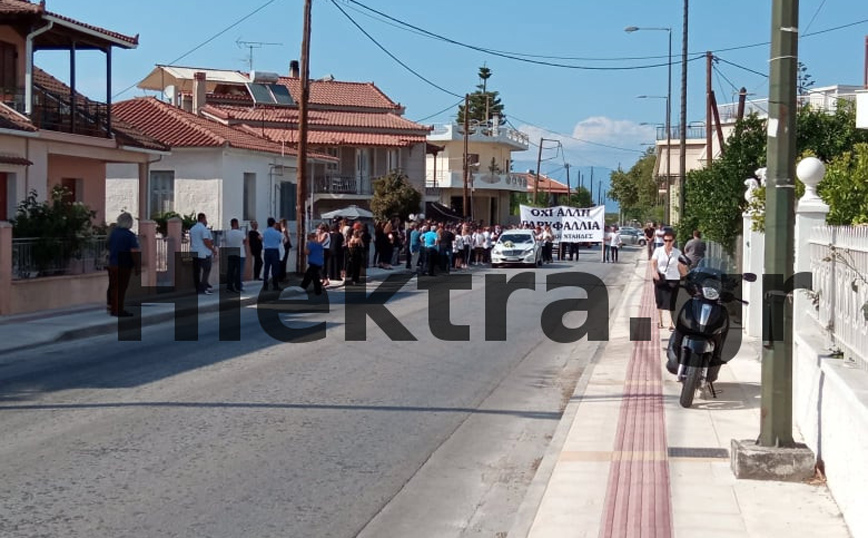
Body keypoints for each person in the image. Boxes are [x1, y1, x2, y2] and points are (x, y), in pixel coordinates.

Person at [650, 229, 688, 330]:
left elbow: (681, 266)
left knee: (672, 301)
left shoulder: (677, 252)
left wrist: (685, 272)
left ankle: (671, 323)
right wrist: (654, 271)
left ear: (673, 241)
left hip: (673, 279)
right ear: (663, 241)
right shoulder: (658, 250)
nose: (668, 243)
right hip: (661, 278)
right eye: (666, 240)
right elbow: (653, 261)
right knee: (660, 300)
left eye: (670, 240)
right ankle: (660, 321)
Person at [107, 212, 139, 317]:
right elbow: (134, 251)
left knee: (113, 286)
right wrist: (137, 265)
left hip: (113, 263)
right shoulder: (130, 235)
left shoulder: (113, 233)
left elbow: (108, 246)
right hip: (124, 265)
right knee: (121, 288)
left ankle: (112, 307)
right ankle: (118, 310)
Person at [190, 213, 216, 294]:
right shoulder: (204, 229)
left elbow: (191, 241)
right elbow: (206, 241)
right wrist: (212, 249)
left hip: (194, 251)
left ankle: (197, 288)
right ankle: (204, 287)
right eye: (205, 219)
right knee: (206, 269)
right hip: (203, 253)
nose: (206, 221)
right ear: (203, 219)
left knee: (196, 271)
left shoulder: (192, 229)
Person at [225, 218, 247, 293]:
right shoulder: (241, 233)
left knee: (230, 271)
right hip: (240, 253)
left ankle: (229, 286)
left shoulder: (227, 233)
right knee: (239, 271)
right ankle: (238, 286)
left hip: (230, 252)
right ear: (236, 224)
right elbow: (245, 241)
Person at [262, 217, 282, 291]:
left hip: (267, 250)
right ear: (274, 224)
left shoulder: (264, 232)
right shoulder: (277, 233)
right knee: (275, 268)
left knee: (266, 268)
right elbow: (280, 241)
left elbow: (263, 240)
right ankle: (275, 285)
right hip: (274, 250)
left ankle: (265, 285)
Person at [278, 218, 293, 282]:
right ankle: (283, 276)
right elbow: (286, 239)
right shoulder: (285, 230)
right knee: (284, 261)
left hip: (282, 246)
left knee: (281, 261)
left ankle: (281, 276)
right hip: (285, 246)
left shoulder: (280, 230)